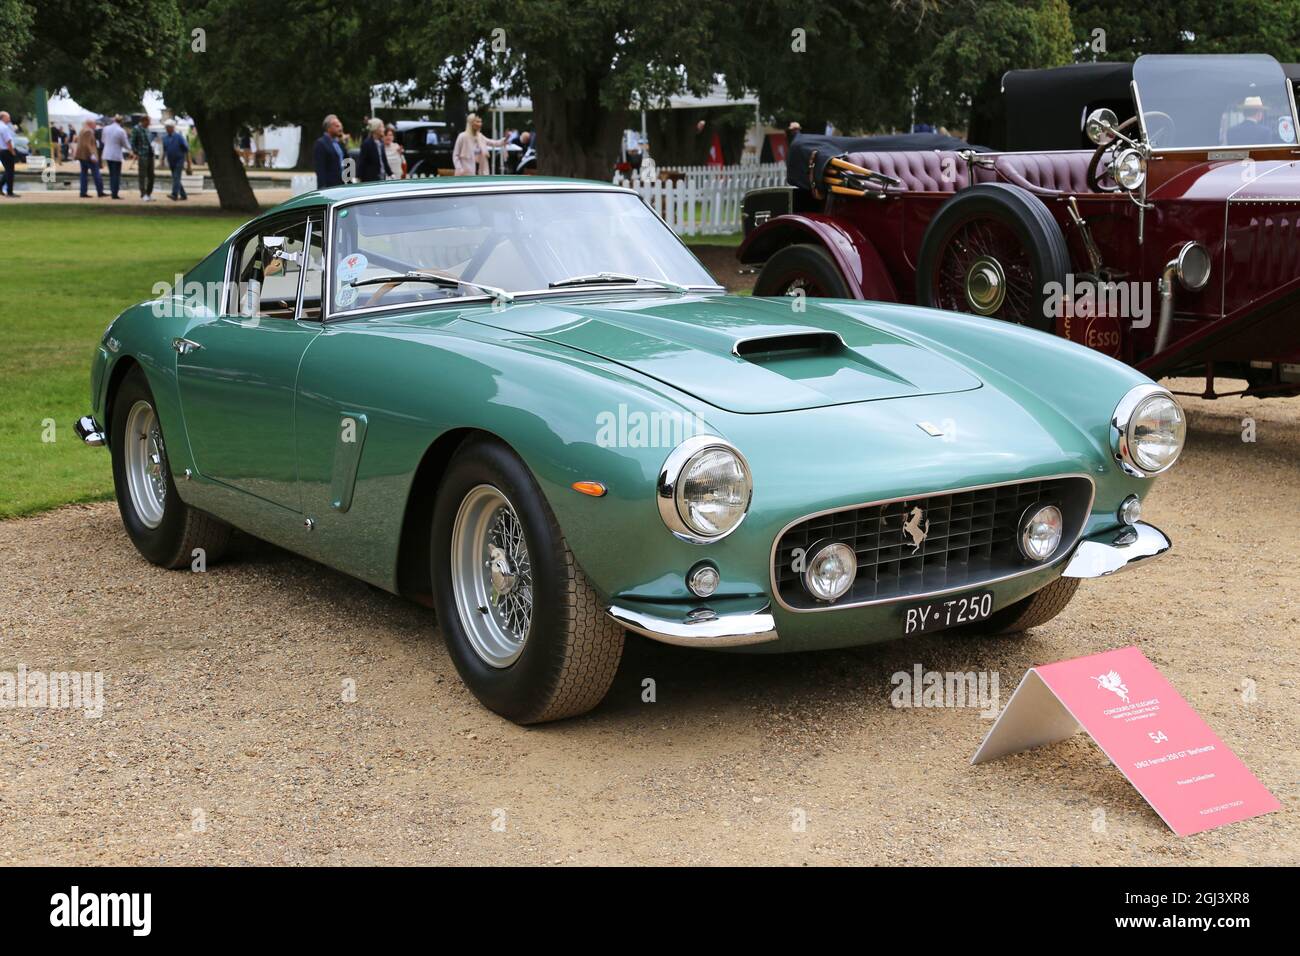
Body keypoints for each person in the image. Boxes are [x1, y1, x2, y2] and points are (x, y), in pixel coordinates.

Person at [100, 114, 129, 199]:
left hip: (107, 153)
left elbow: (103, 140)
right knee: (116, 174)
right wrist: (132, 150)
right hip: (116, 154)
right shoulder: (121, 130)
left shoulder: (106, 128)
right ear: (121, 121)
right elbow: (125, 144)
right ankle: (114, 193)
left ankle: (113, 191)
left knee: (111, 174)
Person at [75, 118, 105, 197]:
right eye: (94, 124)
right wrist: (92, 155)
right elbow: (87, 144)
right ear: (90, 124)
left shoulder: (82, 130)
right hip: (88, 156)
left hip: (82, 155)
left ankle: (83, 192)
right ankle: (100, 191)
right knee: (96, 174)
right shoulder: (88, 131)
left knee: (83, 174)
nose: (95, 125)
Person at [313, 114, 345, 187]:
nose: (340, 128)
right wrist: (322, 187)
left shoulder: (339, 143)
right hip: (329, 185)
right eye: (337, 126)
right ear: (329, 128)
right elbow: (320, 169)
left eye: (340, 126)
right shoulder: (321, 143)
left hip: (341, 184)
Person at [162, 120, 191, 200]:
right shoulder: (165, 138)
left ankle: (174, 194)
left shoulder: (179, 137)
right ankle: (183, 195)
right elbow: (165, 150)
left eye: (169, 127)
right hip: (171, 161)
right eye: (166, 127)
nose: (167, 129)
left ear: (173, 128)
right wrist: (162, 160)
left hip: (179, 160)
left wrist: (189, 164)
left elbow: (186, 149)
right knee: (176, 178)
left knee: (176, 177)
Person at [357, 117, 391, 182]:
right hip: (370, 179)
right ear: (376, 129)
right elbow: (362, 162)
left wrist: (390, 174)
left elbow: (384, 160)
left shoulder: (381, 143)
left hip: (382, 177)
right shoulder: (367, 144)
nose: (384, 129)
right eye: (382, 127)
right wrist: (358, 177)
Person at [130, 116, 154, 200]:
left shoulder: (147, 129)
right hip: (143, 154)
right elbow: (132, 142)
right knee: (142, 175)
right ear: (144, 121)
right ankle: (143, 194)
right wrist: (137, 152)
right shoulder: (136, 129)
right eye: (148, 122)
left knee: (151, 175)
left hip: (150, 154)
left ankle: (148, 193)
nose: (149, 123)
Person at [0, 111, 17, 197]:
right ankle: (9, 192)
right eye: (8, 117)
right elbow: (8, 141)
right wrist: (12, 151)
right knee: (10, 171)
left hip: (1, 151)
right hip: (7, 151)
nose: (9, 119)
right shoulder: (4, 127)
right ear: (3, 117)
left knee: (7, 170)